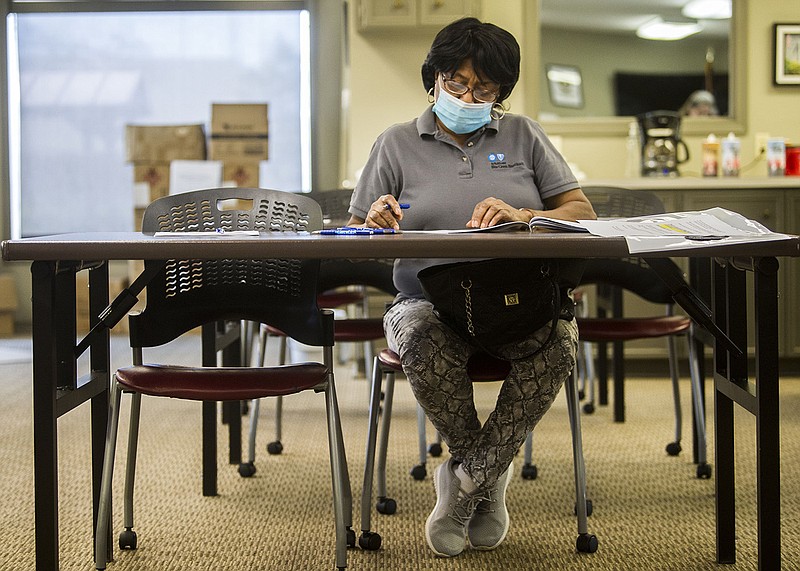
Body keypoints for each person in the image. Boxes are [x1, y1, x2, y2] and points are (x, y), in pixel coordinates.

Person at [347, 17, 596, 558]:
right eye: (455, 82)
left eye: (483, 88)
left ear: (500, 92)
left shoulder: (523, 135)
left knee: (558, 342)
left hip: (514, 300)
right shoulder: (395, 143)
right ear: (433, 78)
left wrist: (525, 213)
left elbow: (580, 213)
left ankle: (463, 481)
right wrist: (375, 217)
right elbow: (357, 236)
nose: (467, 95)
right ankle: (486, 474)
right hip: (425, 302)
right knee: (416, 332)